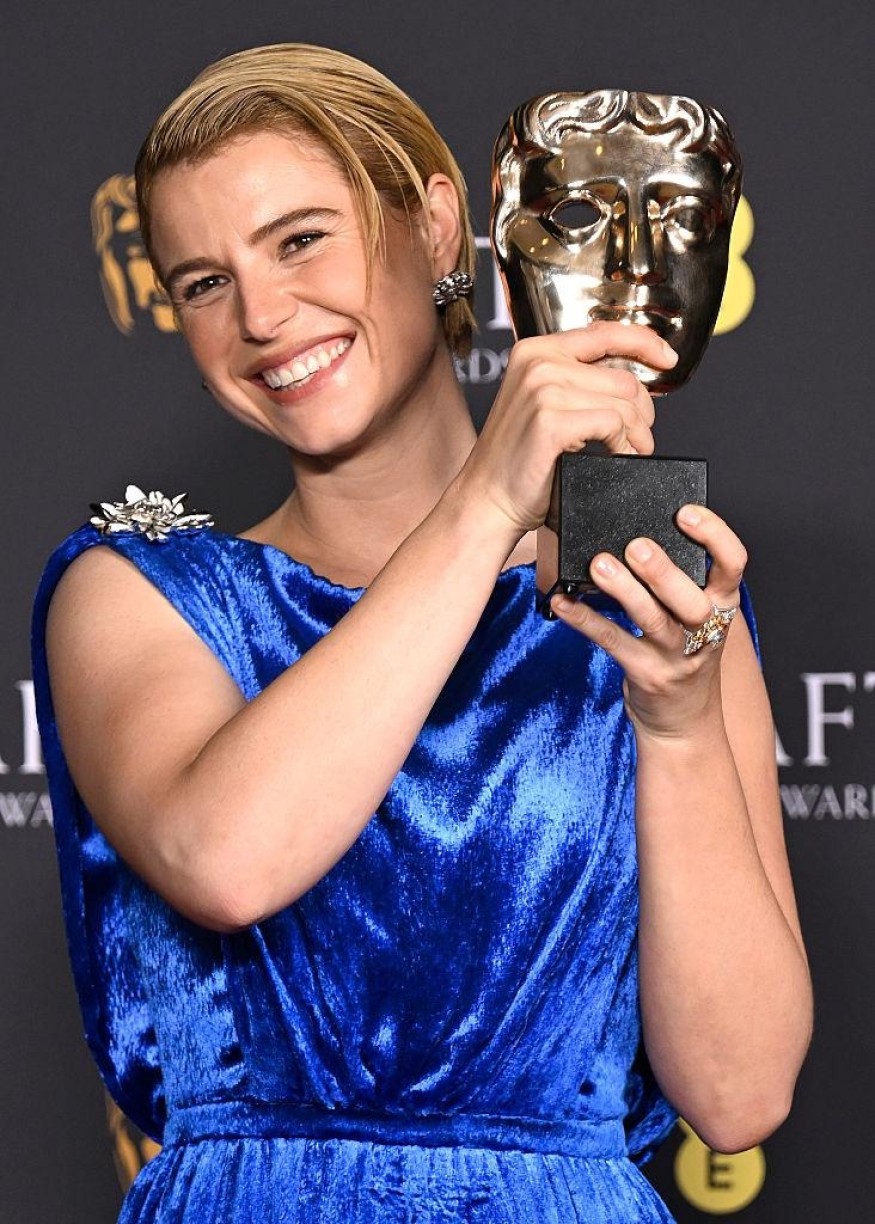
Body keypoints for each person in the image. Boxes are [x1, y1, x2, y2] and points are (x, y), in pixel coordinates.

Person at [33, 43, 812, 1223]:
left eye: (301, 240)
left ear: (439, 229)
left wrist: (676, 724)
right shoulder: (137, 592)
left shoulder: (657, 600)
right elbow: (226, 860)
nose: (260, 315)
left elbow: (739, 1093)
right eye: (202, 282)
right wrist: (488, 501)